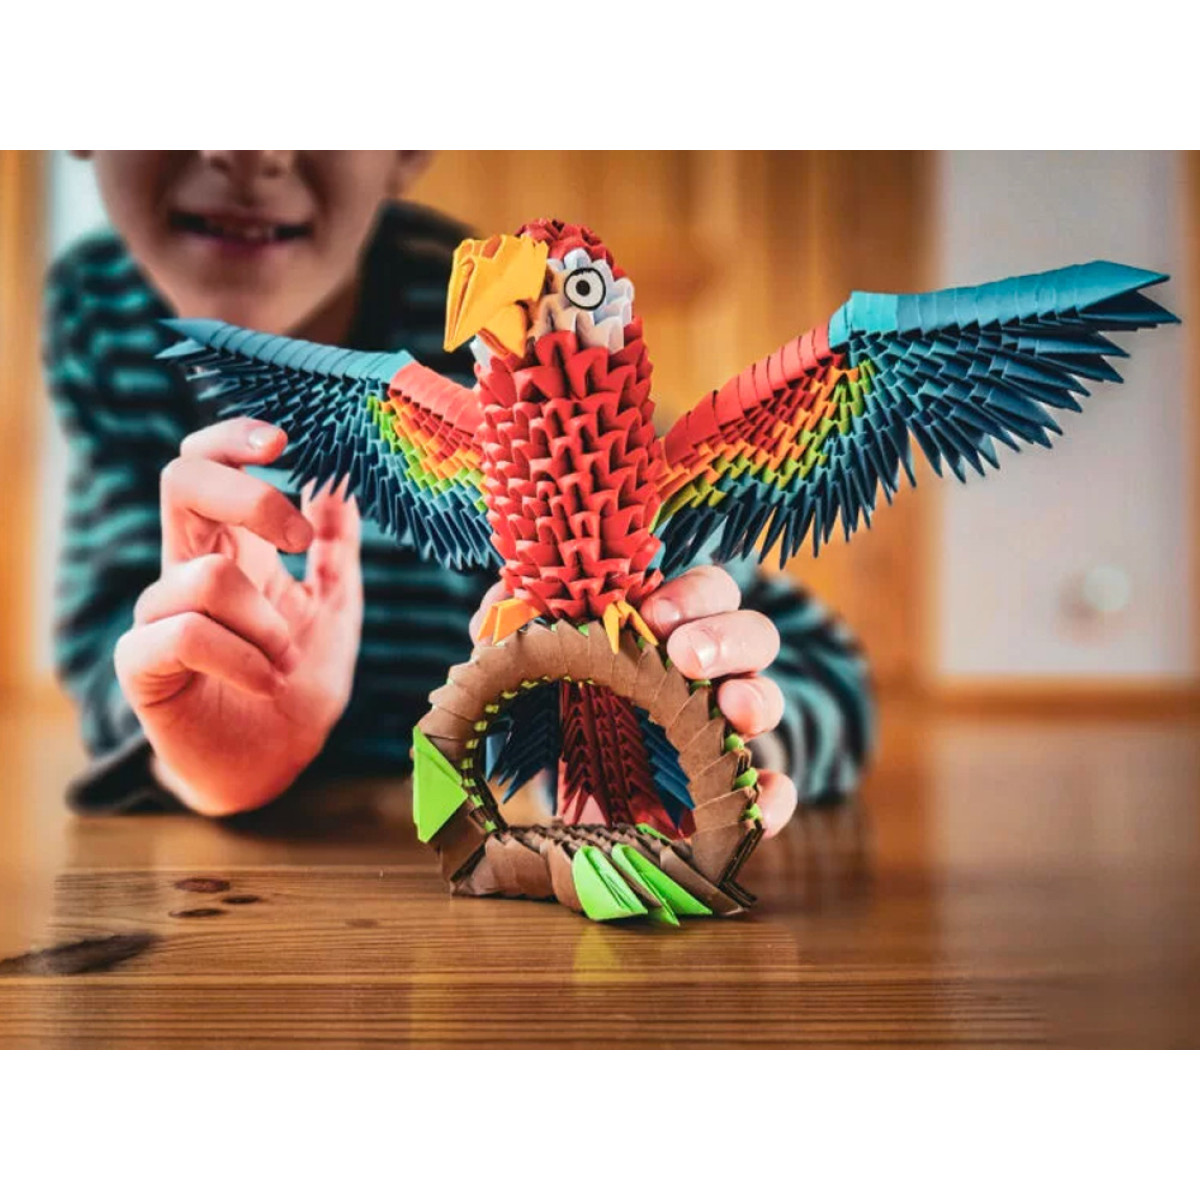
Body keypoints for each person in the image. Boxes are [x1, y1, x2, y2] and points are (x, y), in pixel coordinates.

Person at [44, 150, 874, 829]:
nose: (248, 150)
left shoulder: (525, 332)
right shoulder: (103, 314)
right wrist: (196, 758)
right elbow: (108, 646)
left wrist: (697, 739)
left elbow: (821, 674)